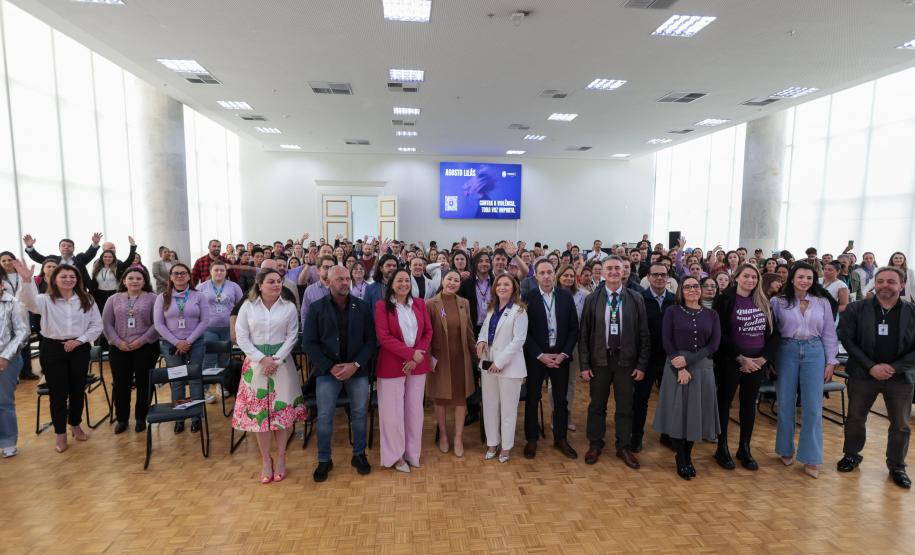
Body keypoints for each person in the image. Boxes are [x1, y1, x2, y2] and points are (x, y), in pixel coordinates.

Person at [837, 266, 915, 489]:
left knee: (900, 425)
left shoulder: (912, 312)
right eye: (880, 281)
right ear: (875, 284)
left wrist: (894, 367)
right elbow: (847, 339)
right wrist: (871, 367)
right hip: (863, 374)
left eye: (891, 281)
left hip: (899, 377)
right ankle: (851, 455)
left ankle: (897, 466)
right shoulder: (856, 309)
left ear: (901, 286)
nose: (885, 285)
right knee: (855, 418)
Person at [14, 260, 102, 453]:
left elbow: (97, 325)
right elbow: (27, 302)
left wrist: (79, 340)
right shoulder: (44, 299)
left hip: (79, 347)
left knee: (78, 389)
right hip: (53, 348)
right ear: (54, 279)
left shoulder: (87, 298)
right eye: (63, 276)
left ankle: (75, 424)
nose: (68, 279)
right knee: (58, 393)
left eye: (72, 276)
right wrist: (27, 282)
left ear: (77, 279)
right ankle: (60, 433)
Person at [233, 269, 307, 484]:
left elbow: (292, 335)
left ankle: (282, 457)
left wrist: (275, 359)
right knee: (261, 416)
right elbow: (242, 336)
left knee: (281, 413)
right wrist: (261, 359)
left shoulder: (289, 307)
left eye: (279, 281)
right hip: (256, 364)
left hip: (281, 364)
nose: (276, 285)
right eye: (271, 281)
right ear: (260, 284)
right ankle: (266, 459)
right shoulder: (248, 306)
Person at [303, 265, 375, 482]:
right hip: (328, 371)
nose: (345, 282)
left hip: (357, 370)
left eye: (347, 279)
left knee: (360, 414)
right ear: (329, 282)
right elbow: (309, 343)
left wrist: (355, 364)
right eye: (339, 279)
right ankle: (324, 459)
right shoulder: (317, 308)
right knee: (324, 417)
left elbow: (371, 341)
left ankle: (359, 454)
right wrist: (329, 366)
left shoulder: (362, 307)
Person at [579, 256, 651, 469]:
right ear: (601, 272)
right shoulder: (592, 298)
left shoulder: (636, 298)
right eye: (608, 268)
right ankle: (595, 443)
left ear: (623, 272)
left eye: (617, 269)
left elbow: (644, 334)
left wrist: (641, 365)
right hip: (599, 360)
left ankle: (624, 446)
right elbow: (584, 334)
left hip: (626, 361)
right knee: (597, 405)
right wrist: (584, 365)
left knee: (625, 407)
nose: (613, 272)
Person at [770, 262, 839, 478]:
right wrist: (770, 358)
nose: (805, 281)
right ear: (791, 278)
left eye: (809, 278)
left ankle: (811, 457)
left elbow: (829, 333)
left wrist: (831, 361)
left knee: (812, 407)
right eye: (800, 277)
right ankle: (785, 449)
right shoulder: (777, 302)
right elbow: (770, 333)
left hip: (815, 351)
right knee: (785, 403)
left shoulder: (822, 302)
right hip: (786, 350)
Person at [652, 276, 721, 480]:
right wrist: (679, 364)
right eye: (688, 286)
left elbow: (713, 345)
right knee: (678, 415)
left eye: (696, 286)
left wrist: (689, 360)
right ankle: (680, 457)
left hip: (702, 368)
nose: (693, 289)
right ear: (681, 290)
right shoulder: (672, 311)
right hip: (675, 366)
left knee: (695, 416)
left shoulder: (712, 314)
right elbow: (666, 340)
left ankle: (688, 455)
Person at [713, 264, 779, 471]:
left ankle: (744, 448)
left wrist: (763, 359)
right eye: (746, 276)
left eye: (754, 277)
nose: (750, 280)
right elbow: (719, 334)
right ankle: (721, 448)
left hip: (757, 362)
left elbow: (774, 334)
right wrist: (740, 358)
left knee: (748, 406)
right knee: (724, 404)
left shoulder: (763, 301)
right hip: (732, 361)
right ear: (737, 277)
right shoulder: (724, 299)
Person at [374, 268, 433, 472]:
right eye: (399, 280)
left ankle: (412, 453)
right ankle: (395, 457)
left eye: (406, 280)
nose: (403, 284)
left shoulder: (419, 304)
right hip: (392, 365)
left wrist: (418, 354)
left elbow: (428, 331)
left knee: (414, 411)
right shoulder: (382, 306)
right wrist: (410, 354)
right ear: (391, 284)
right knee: (393, 414)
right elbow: (384, 337)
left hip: (418, 365)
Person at [519, 260, 578, 459]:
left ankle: (560, 439)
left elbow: (573, 329)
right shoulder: (527, 298)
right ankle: (532, 440)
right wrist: (540, 355)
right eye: (541, 272)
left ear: (555, 274)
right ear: (535, 275)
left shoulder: (565, 297)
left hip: (560, 357)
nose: (546, 276)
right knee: (533, 398)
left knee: (561, 399)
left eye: (549, 272)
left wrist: (564, 354)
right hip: (537, 358)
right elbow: (523, 333)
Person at [476, 274, 528, 463]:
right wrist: (481, 341)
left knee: (508, 409)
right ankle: (492, 443)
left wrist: (500, 362)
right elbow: (484, 330)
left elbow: (518, 340)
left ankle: (506, 447)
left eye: (506, 284)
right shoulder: (492, 308)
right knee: (489, 405)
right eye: (499, 284)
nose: (502, 287)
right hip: (488, 363)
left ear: (513, 288)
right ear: (495, 288)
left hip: (508, 367)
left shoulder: (519, 311)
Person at [153, 262, 210, 434]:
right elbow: (158, 324)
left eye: (183, 273)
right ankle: (179, 417)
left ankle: (196, 416)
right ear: (170, 277)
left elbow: (205, 321)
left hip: (196, 343)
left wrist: (188, 341)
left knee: (195, 380)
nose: (179, 276)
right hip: (171, 345)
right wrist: (177, 342)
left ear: (189, 276)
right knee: (177, 381)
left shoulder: (198, 296)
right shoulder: (162, 297)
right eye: (176, 273)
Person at [102, 267, 159, 434]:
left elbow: (158, 323)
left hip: (146, 347)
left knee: (144, 383)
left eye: (139, 279)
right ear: (124, 281)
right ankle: (122, 419)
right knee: (121, 384)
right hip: (119, 348)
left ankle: (141, 417)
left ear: (144, 281)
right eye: (131, 278)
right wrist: (117, 342)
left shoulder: (153, 299)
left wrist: (141, 340)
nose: (134, 281)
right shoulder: (113, 299)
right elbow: (106, 323)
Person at [426, 269, 476, 457]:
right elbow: (426, 334)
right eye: (449, 279)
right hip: (440, 360)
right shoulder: (430, 304)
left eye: (456, 280)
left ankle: (458, 438)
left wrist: (476, 355)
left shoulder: (464, 303)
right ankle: (444, 436)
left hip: (460, 358)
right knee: (441, 398)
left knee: (460, 399)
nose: (452, 283)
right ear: (443, 281)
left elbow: (469, 331)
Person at [632, 262, 676, 452]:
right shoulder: (638, 298)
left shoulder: (675, 300)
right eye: (655, 275)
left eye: (663, 275)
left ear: (668, 278)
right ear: (648, 277)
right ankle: (636, 436)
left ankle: (666, 435)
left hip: (669, 359)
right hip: (645, 359)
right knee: (640, 399)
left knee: (669, 399)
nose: (659, 278)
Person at [196, 261, 244, 401]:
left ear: (226, 272)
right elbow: (196, 307)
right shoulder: (201, 287)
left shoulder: (233, 286)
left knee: (224, 358)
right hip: (208, 328)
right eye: (216, 270)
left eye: (222, 270)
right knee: (208, 359)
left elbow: (240, 306)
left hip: (228, 328)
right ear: (210, 271)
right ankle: (205, 389)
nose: (219, 272)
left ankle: (221, 384)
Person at [551, 264, 587, 431]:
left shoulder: (583, 296)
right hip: (554, 343)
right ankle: (555, 413)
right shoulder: (550, 294)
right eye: (565, 275)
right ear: (558, 277)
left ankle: (567, 413)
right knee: (554, 382)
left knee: (571, 381)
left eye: (571, 276)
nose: (568, 278)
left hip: (574, 344)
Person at [0, 280, 29, 457]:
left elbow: (23, 332)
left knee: (3, 403)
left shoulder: (13, 303)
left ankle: (8, 441)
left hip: (6, 360)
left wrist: (5, 356)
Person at [1, 251, 39, 381]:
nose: (7, 263)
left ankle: (26, 371)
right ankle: (12, 374)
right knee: (8, 342)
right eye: (3, 261)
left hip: (22, 310)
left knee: (24, 341)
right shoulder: (1, 277)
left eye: (9, 260)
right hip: (4, 313)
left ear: (14, 261)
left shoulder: (23, 274)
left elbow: (31, 292)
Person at [22, 232, 102, 287]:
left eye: (69, 246)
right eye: (63, 245)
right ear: (59, 248)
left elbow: (90, 254)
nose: (66, 247)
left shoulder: (80, 259)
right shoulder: (52, 259)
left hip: (78, 291)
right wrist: (30, 247)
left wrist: (95, 244)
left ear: (73, 248)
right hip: (56, 290)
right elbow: (38, 258)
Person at [458, 251, 494, 335]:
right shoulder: (466, 283)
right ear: (475, 263)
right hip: (472, 328)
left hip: (492, 327)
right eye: (480, 261)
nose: (484, 263)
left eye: (487, 261)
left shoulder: (496, 281)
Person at [299, 255, 337, 327]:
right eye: (326, 267)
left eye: (332, 267)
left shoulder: (341, 288)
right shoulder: (310, 290)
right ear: (318, 270)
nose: (329, 270)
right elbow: (305, 314)